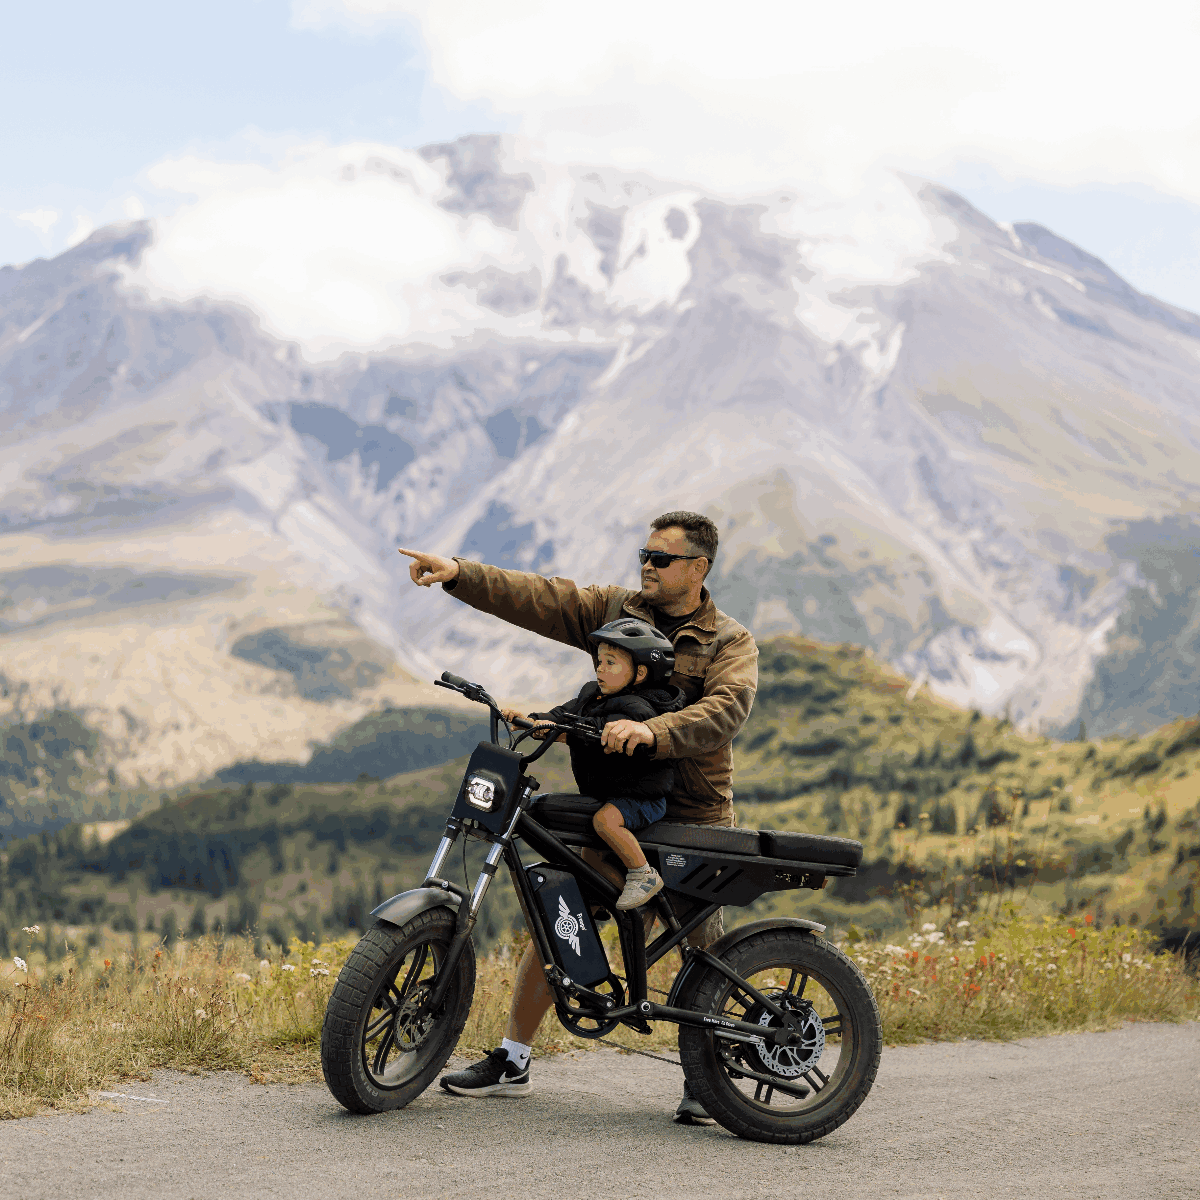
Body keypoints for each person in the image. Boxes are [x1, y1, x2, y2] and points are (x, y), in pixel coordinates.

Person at [398, 511, 758, 1124]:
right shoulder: (622, 610)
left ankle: (715, 1075)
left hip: (691, 810)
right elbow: (545, 598)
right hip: (614, 806)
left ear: (698, 568)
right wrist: (460, 574)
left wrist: (650, 729)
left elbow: (726, 710)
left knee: (700, 942)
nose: (648, 564)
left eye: (663, 558)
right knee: (560, 915)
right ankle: (513, 1059)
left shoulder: (729, 642)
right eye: (644, 553)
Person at [504, 618, 686, 910]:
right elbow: (563, 714)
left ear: (639, 674)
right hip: (609, 793)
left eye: (610, 662)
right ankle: (608, 898)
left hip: (641, 797)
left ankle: (643, 875)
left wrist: (560, 732)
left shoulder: (637, 710)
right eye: (599, 661)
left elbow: (596, 730)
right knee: (589, 854)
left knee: (604, 822)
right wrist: (534, 720)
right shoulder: (592, 695)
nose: (600, 668)